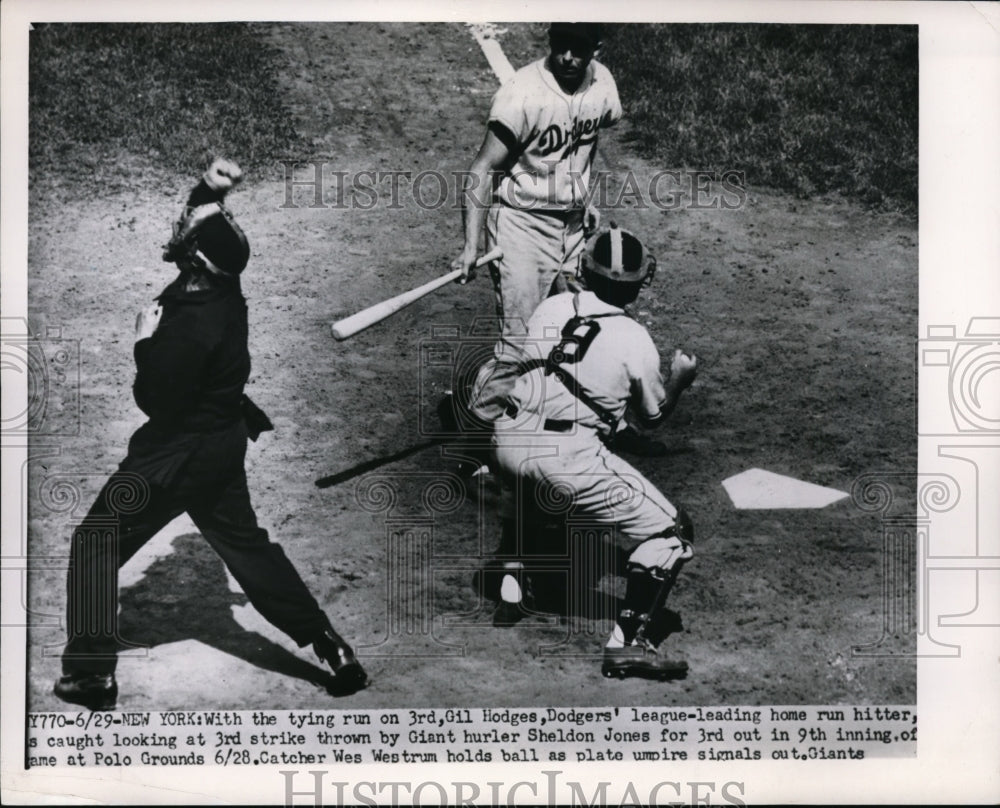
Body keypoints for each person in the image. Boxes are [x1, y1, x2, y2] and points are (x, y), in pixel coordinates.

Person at [54, 159, 367, 711]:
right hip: (223, 447)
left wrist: (143, 343)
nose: (178, 234)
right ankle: (330, 647)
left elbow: (156, 401)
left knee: (93, 544)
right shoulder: (225, 287)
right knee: (249, 549)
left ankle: (90, 674)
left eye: (187, 236)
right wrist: (209, 191)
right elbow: (199, 229)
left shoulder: (188, 329)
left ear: (196, 259)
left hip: (173, 456)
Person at [491, 224, 699, 679]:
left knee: (539, 484)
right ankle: (629, 646)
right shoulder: (635, 338)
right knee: (672, 533)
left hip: (504, 440)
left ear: (585, 270)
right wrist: (681, 379)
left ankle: (515, 578)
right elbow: (651, 418)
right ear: (640, 283)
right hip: (564, 457)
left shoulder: (553, 304)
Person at [448, 22, 622, 430]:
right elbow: (481, 168)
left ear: (596, 49)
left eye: (578, 50)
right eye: (561, 47)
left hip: (573, 229)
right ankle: (474, 440)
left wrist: (582, 195)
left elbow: (583, 143)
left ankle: (605, 422)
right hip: (522, 228)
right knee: (520, 345)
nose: (567, 58)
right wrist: (470, 245)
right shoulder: (522, 93)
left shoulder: (603, 85)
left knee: (587, 327)